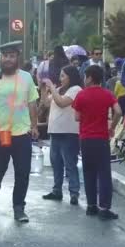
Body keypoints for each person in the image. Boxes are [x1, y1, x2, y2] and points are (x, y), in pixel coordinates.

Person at [0, 41, 39, 223]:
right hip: (0, 134)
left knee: (22, 171)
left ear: (17, 58)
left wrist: (34, 126)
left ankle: (19, 207)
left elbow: (32, 103)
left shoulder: (27, 78)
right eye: (5, 56)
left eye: (12, 56)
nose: (8, 59)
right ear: (0, 58)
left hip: (22, 134)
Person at [72, 65, 121, 221]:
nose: (84, 79)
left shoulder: (81, 95)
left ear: (90, 78)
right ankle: (104, 208)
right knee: (104, 173)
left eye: (85, 76)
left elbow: (77, 117)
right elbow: (118, 111)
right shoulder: (107, 94)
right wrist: (112, 127)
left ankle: (91, 206)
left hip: (86, 139)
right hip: (101, 138)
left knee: (89, 172)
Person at [41, 65, 83, 205]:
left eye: (63, 76)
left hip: (69, 132)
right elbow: (46, 103)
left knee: (70, 163)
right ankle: (56, 190)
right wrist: (43, 89)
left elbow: (61, 103)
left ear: (71, 77)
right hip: (55, 131)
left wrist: (51, 87)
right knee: (56, 163)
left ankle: (74, 192)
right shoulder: (58, 90)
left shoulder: (76, 90)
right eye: (60, 75)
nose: (61, 78)